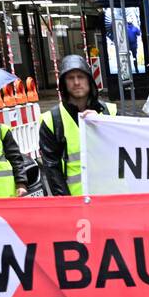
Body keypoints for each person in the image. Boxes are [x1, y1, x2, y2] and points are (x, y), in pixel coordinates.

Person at [39, 54, 118, 196]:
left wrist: (103, 125)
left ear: (89, 80)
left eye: (80, 77)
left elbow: (125, 149)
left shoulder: (110, 112)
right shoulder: (51, 120)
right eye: (70, 78)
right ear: (64, 83)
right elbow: (52, 169)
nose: (76, 82)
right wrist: (67, 206)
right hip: (78, 203)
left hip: (113, 198)